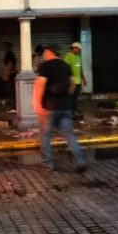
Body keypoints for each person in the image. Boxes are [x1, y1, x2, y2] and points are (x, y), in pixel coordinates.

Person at [33, 44, 87, 172]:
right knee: (69, 134)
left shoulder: (45, 66)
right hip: (65, 107)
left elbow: (40, 84)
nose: (44, 54)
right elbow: (73, 83)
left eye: (46, 51)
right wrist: (67, 96)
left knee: (45, 135)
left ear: (49, 52)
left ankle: (48, 165)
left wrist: (37, 103)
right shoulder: (65, 65)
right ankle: (80, 160)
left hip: (49, 108)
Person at [64, 42, 86, 119]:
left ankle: (75, 112)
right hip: (71, 82)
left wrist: (84, 79)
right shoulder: (68, 56)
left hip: (78, 81)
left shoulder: (79, 57)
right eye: (79, 49)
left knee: (75, 98)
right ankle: (70, 113)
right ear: (74, 48)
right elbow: (66, 69)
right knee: (70, 98)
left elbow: (80, 68)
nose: (79, 51)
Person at [1, 42, 17, 110]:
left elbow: (10, 65)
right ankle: (13, 106)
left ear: (8, 47)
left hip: (11, 75)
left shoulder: (10, 55)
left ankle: (14, 107)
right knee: (11, 91)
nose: (3, 48)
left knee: (12, 92)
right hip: (10, 75)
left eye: (4, 46)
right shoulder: (8, 54)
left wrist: (6, 75)